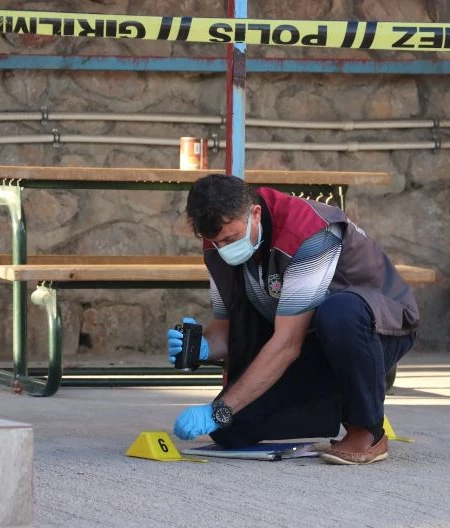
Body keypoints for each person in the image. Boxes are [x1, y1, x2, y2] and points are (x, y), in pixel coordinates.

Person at [166, 173, 419, 465]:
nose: (224, 249)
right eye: (216, 242)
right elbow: (226, 327)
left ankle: (367, 428)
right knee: (230, 430)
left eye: (230, 239)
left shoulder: (308, 232)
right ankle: (344, 392)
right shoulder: (219, 244)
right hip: (311, 341)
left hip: (376, 329)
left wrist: (220, 408)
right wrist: (201, 347)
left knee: (339, 313)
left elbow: (287, 344)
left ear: (255, 214)